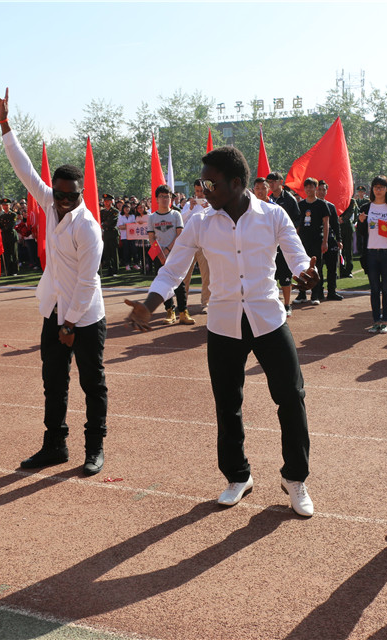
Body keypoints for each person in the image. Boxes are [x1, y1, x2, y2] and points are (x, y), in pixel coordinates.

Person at [124, 146, 320, 517]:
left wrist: (304, 273)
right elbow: (173, 270)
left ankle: (295, 478)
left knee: (291, 398)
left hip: (268, 318)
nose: (204, 190)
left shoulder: (273, 215)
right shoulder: (199, 222)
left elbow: (297, 257)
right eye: (202, 183)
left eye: (211, 184)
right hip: (223, 323)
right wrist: (149, 304)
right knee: (228, 404)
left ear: (236, 182)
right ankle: (238, 476)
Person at [0, 88, 108, 475]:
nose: (62, 200)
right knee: (53, 382)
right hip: (54, 310)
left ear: (80, 193)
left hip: (84, 317)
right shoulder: (48, 203)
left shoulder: (88, 228)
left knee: (92, 384)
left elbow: (88, 283)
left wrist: (70, 324)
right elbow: (24, 167)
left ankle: (94, 448)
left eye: (70, 195)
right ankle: (55, 445)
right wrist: (5, 124)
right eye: (57, 193)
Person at [357, 175, 387, 333]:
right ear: (372, 189)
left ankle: (385, 321)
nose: (378, 190)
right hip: (371, 253)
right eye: (376, 187)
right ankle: (376, 320)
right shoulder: (365, 207)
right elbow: (361, 233)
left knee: (386, 288)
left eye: (381, 187)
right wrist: (361, 222)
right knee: (375, 289)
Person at [147, 185, 193, 325]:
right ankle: (169, 311)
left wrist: (167, 251)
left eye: (167, 196)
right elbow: (151, 238)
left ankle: (183, 312)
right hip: (159, 255)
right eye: (162, 196)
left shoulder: (176, 214)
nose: (165, 199)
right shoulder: (152, 217)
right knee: (163, 283)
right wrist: (160, 254)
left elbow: (180, 234)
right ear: (156, 199)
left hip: (175, 254)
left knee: (179, 283)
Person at [267, 171, 302, 315]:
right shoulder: (268, 199)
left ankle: (287, 305)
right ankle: (272, 305)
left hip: (284, 243)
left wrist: (290, 239)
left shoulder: (289, 199)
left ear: (281, 182)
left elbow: (297, 220)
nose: (271, 184)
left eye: (273, 181)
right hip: (269, 244)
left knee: (285, 275)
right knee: (270, 275)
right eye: (269, 182)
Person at [296, 177, 330, 305]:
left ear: (315, 188)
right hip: (303, 240)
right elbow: (298, 224)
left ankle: (315, 295)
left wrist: (325, 241)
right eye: (306, 187)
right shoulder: (300, 205)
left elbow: (326, 224)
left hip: (317, 239)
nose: (309, 189)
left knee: (316, 267)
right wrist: (296, 240)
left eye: (311, 187)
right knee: (302, 266)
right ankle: (302, 294)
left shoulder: (321, 204)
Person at [181, 179, 212, 312]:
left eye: (202, 191)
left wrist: (208, 209)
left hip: (204, 243)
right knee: (185, 274)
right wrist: (190, 209)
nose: (199, 194)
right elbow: (181, 220)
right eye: (197, 191)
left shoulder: (211, 205)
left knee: (206, 274)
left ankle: (205, 303)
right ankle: (182, 303)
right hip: (190, 243)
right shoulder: (188, 204)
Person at [316, 180, 343, 301]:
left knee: (332, 268)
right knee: (318, 268)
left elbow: (336, 225)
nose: (321, 192)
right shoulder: (312, 205)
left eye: (324, 189)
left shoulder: (331, 206)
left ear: (327, 191)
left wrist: (339, 239)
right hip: (317, 240)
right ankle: (319, 291)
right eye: (319, 189)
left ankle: (332, 291)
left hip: (330, 240)